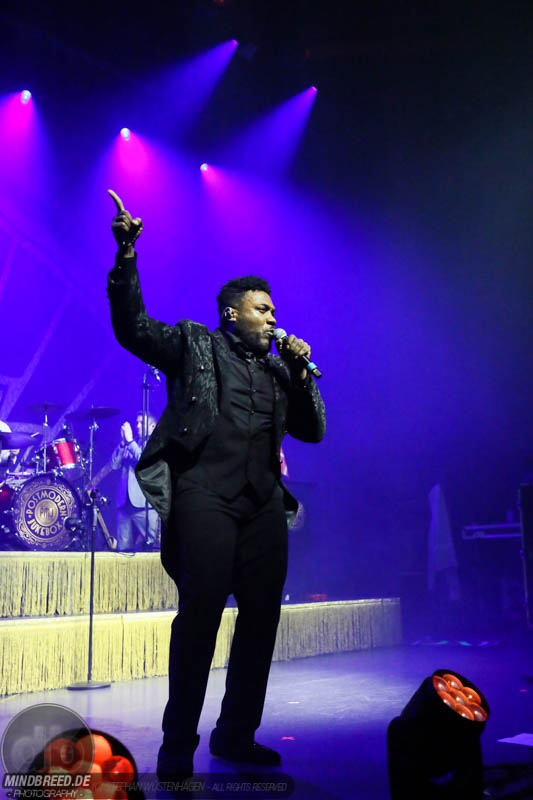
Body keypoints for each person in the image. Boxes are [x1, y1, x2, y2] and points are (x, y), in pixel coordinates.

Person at [106, 189, 326, 780]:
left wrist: (302, 372)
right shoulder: (195, 344)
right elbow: (133, 330)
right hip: (205, 496)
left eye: (273, 311)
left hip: (262, 505)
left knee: (261, 620)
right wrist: (127, 258)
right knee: (199, 619)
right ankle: (177, 741)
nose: (272, 318)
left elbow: (312, 431)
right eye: (262, 310)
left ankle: (235, 734)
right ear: (233, 313)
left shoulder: (279, 368)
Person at [111, 413, 160, 551]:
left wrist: (130, 442)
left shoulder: (157, 442)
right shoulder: (131, 443)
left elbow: (145, 461)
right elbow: (114, 466)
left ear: (152, 426)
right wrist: (122, 444)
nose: (137, 426)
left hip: (145, 504)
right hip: (125, 503)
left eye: (141, 423)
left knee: (153, 547)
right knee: (123, 550)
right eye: (137, 422)